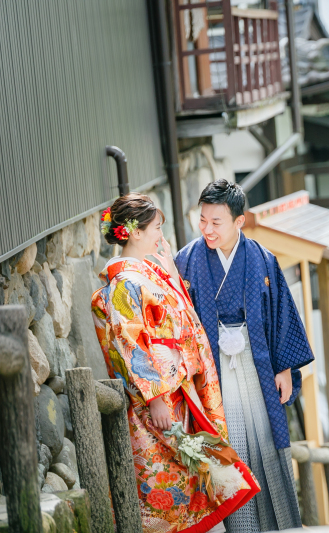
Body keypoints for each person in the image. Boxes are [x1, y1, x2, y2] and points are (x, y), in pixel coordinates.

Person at [91, 193, 260, 533]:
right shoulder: (125, 281)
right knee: (164, 486)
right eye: (156, 228)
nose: (160, 236)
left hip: (177, 393)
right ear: (135, 232)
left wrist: (169, 274)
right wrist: (153, 397)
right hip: (156, 402)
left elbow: (181, 319)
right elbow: (130, 344)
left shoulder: (146, 273)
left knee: (193, 481)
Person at [175, 180, 314, 532]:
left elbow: (281, 312)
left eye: (216, 222)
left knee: (265, 435)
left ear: (239, 222)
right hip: (213, 369)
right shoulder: (186, 261)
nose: (207, 229)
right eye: (202, 220)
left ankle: (279, 524)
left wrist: (284, 367)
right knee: (229, 440)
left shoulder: (262, 259)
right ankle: (242, 526)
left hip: (257, 361)